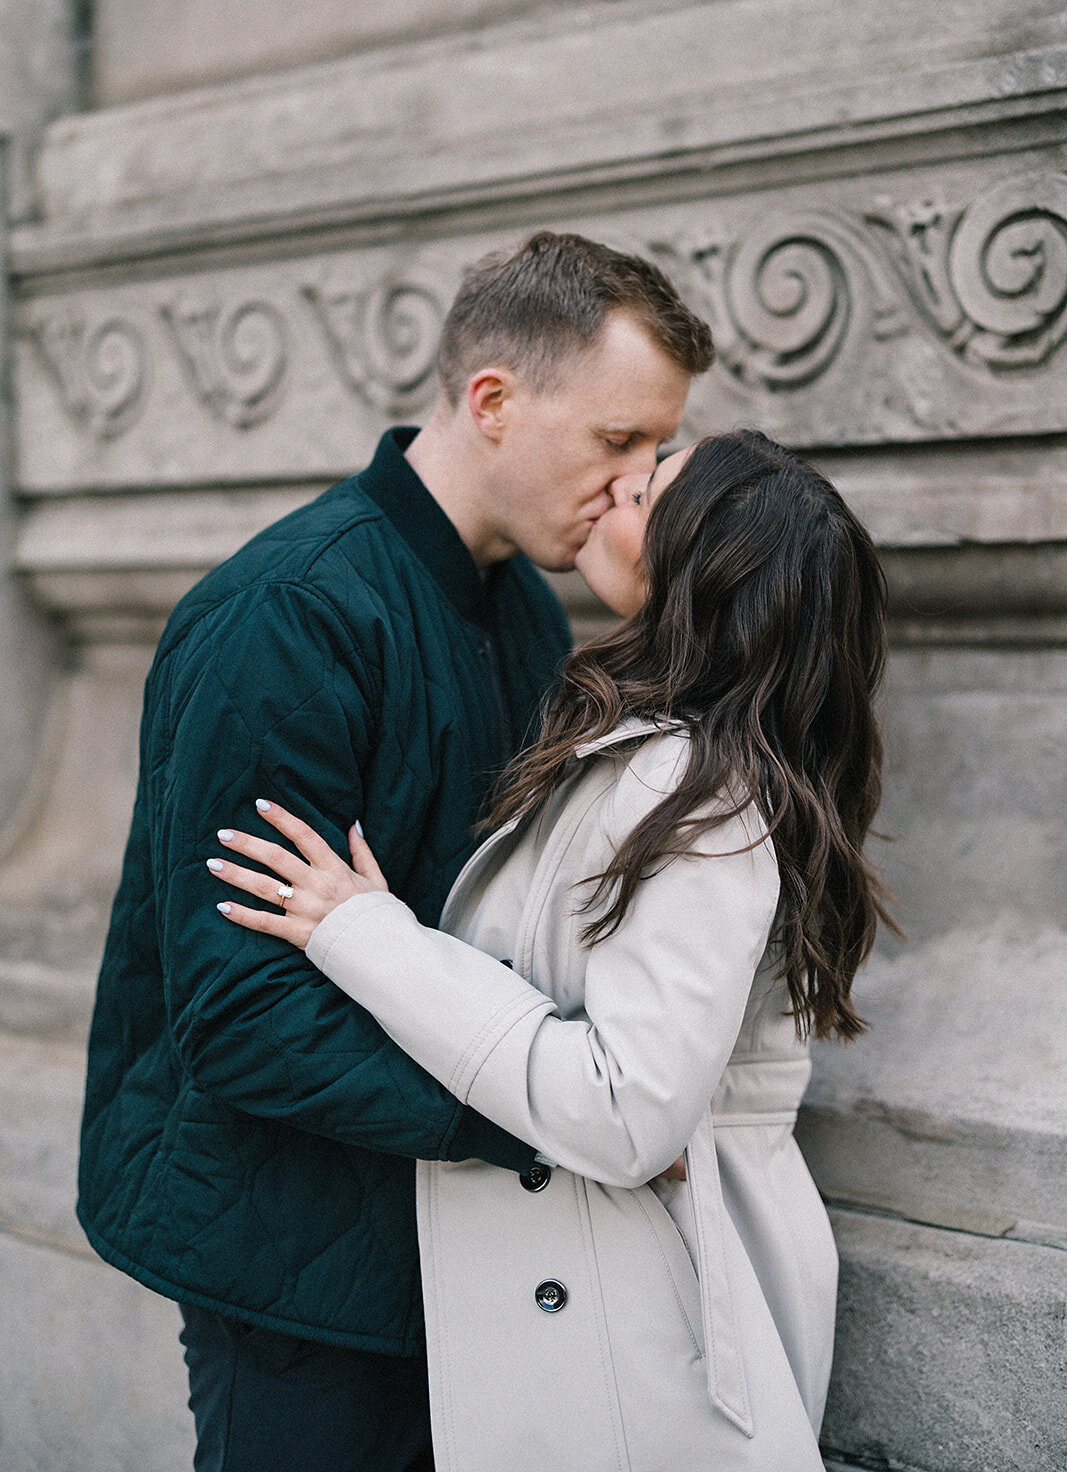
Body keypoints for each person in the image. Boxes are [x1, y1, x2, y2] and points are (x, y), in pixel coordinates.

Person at [77, 231, 713, 1472]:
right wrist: (547, 1122)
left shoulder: (523, 608)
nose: (637, 480)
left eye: (655, 446)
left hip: (438, 1239)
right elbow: (242, 1010)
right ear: (492, 401)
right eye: (616, 440)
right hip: (283, 1252)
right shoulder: (290, 614)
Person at [208, 429, 896, 1472]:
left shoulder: (699, 797)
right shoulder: (660, 756)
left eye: (645, 484)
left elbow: (625, 1113)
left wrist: (361, 933)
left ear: (695, 569)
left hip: (629, 1332)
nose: (614, 483)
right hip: (591, 1296)